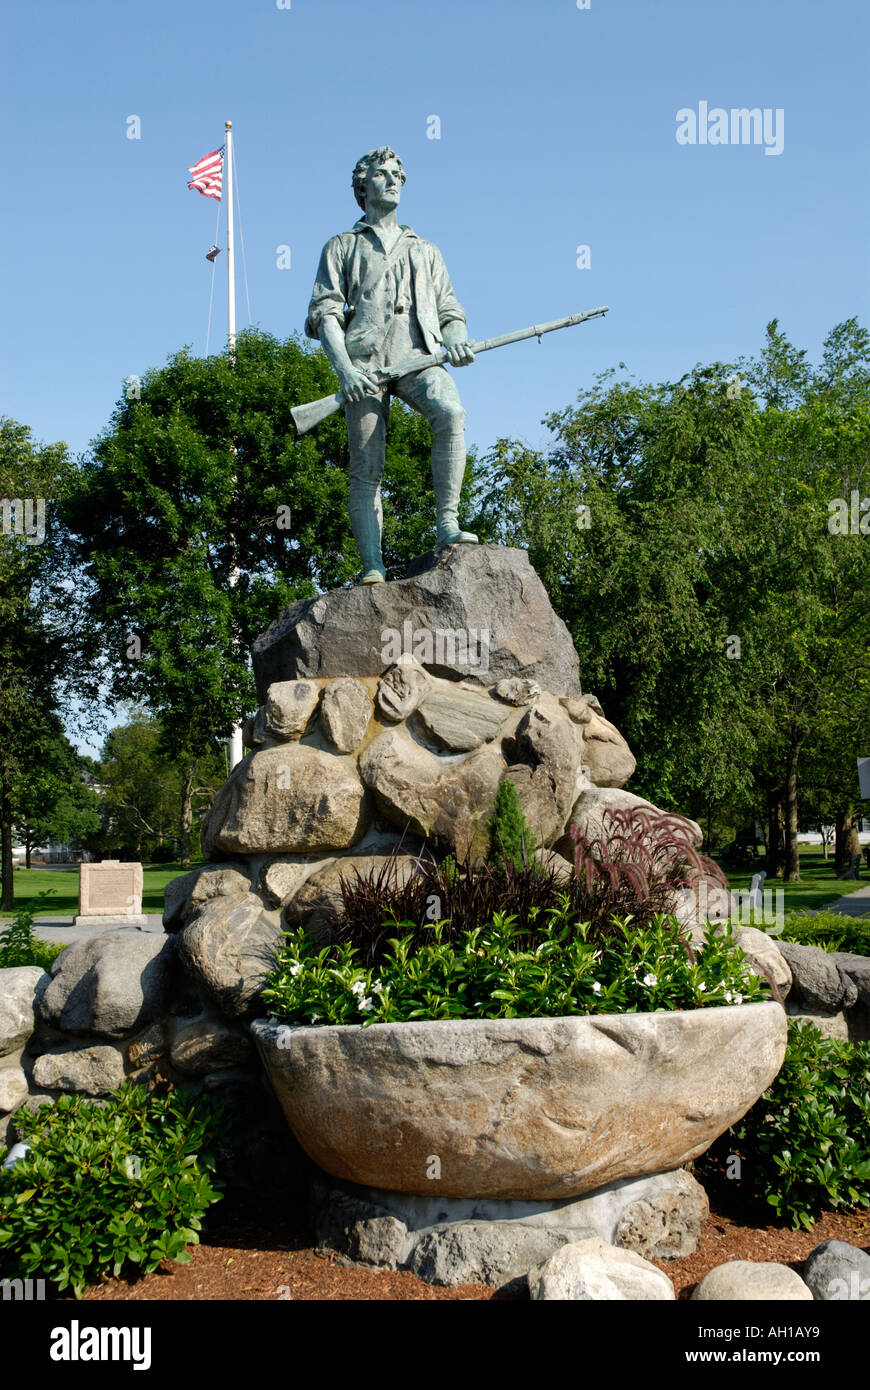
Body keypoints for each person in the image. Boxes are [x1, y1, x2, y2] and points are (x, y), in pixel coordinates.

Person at [305, 145, 478, 583]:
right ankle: (372, 563)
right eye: (383, 173)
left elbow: (450, 311)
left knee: (451, 412)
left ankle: (448, 523)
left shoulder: (426, 250)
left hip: (419, 357)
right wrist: (345, 371)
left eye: (398, 173)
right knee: (367, 466)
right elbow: (324, 314)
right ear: (363, 186)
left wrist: (457, 341)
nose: (394, 179)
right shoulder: (342, 246)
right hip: (363, 366)